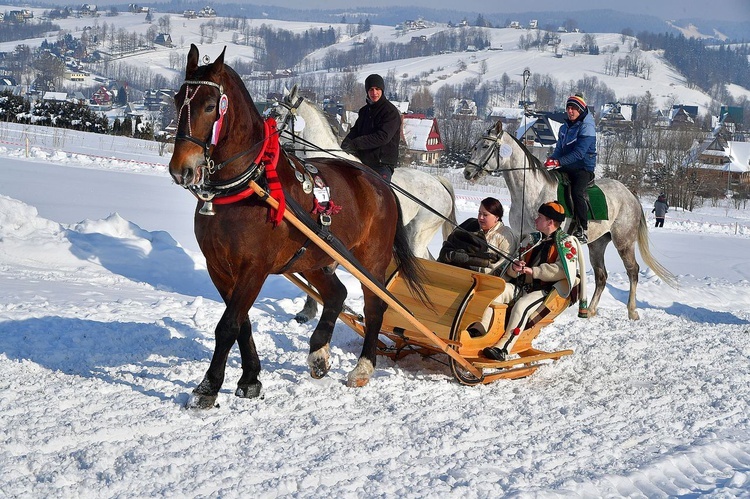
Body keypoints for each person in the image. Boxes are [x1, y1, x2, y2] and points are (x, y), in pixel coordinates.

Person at [482, 201, 582, 361]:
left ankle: (503, 350)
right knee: (495, 291)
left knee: (522, 305)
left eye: (539, 217)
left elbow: (563, 270)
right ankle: (481, 332)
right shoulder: (532, 239)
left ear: (550, 222)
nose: (535, 219)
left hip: (546, 292)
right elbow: (512, 263)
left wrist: (534, 271)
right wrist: (514, 268)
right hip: (522, 286)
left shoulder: (566, 242)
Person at [544, 93, 597, 244]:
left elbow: (580, 153)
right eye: (568, 108)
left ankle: (582, 228)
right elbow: (559, 149)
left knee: (576, 192)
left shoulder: (587, 127)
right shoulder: (564, 127)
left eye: (573, 108)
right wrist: (552, 160)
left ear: (580, 110)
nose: (570, 111)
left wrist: (558, 161)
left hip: (583, 167)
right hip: (566, 165)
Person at [340, 74, 402, 182]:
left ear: (382, 90)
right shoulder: (364, 111)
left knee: (380, 195)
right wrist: (346, 144)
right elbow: (356, 131)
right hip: (363, 161)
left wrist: (356, 144)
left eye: (377, 89)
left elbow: (383, 137)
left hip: (381, 164)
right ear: (367, 91)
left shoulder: (390, 112)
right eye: (371, 89)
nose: (374, 93)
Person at [438, 197, 518, 276]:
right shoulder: (470, 225)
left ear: (496, 217)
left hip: (484, 279)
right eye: (479, 213)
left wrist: (477, 269)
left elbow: (504, 264)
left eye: (485, 215)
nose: (480, 217)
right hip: (455, 272)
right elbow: (450, 243)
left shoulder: (505, 234)